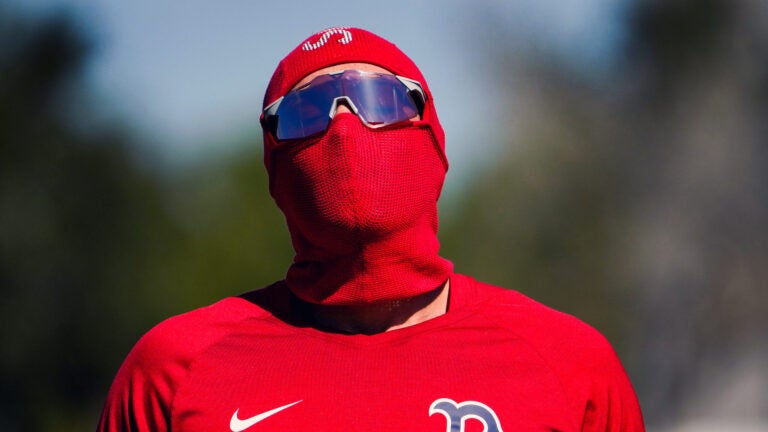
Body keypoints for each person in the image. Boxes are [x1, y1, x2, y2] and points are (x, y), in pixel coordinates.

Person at [98, 27, 645, 431]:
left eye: (379, 99)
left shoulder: (568, 364)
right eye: (306, 111)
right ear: (273, 166)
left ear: (432, 138)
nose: (343, 127)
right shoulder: (173, 370)